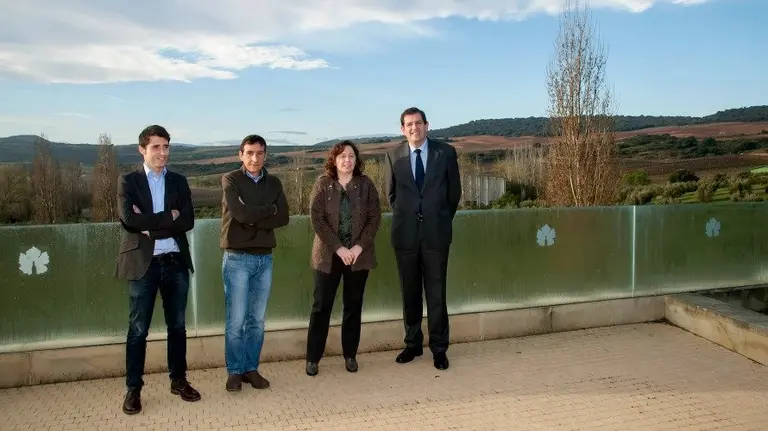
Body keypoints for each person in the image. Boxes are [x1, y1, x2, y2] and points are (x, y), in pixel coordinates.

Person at [115, 124, 200, 415]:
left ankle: (178, 381)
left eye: (166, 147)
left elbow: (187, 220)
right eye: (156, 147)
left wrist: (151, 225)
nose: (162, 153)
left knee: (177, 326)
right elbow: (128, 219)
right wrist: (168, 217)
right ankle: (133, 389)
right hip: (144, 265)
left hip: (175, 263)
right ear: (142, 149)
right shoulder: (128, 181)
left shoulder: (178, 181)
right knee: (138, 329)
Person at [384, 107, 461, 370]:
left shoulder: (446, 153)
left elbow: (454, 195)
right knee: (410, 293)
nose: (414, 127)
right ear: (402, 129)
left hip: (436, 236)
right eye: (409, 124)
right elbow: (391, 196)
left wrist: (436, 219)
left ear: (427, 126)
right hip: (405, 236)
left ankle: (439, 348)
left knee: (437, 294)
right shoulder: (393, 155)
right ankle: (413, 344)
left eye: (419, 123)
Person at [305, 140, 382, 376]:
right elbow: (317, 219)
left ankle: (350, 355)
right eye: (342, 157)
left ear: (356, 160)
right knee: (321, 307)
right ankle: (313, 358)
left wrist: (358, 247)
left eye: (351, 156)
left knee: (353, 306)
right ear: (334, 160)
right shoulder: (322, 184)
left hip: (359, 257)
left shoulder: (366, 185)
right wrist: (339, 248)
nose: (347, 160)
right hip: (329, 255)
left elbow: (374, 218)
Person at [220, 134, 289, 392]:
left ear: (265, 155)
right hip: (236, 258)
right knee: (236, 320)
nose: (254, 158)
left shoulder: (274, 182)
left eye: (259, 153)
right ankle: (234, 371)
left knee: (257, 321)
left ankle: (250, 368)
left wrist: (253, 216)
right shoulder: (230, 180)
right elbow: (239, 214)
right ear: (241, 155)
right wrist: (267, 210)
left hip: (264, 258)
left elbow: (283, 217)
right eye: (249, 153)